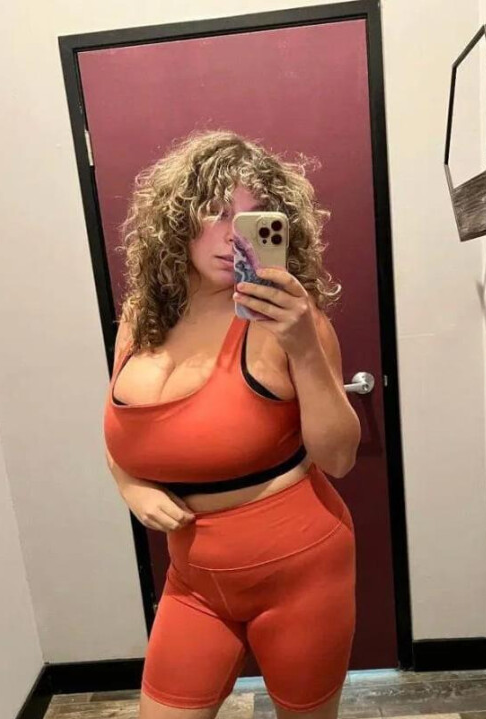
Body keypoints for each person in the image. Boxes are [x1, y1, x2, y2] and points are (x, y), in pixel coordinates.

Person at [103, 129, 361, 719]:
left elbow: (339, 458)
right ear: (177, 218)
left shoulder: (289, 322)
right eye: (216, 212)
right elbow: (119, 431)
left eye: (250, 217)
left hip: (302, 572)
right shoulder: (143, 318)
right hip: (193, 580)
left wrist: (303, 345)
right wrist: (131, 484)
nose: (231, 236)